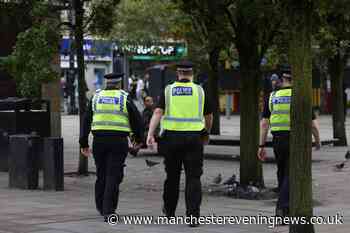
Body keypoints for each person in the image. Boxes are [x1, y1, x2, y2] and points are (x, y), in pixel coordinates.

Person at [146, 60, 213, 227]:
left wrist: (150, 134)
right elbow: (209, 115)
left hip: (171, 139)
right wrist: (206, 132)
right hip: (194, 139)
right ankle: (193, 217)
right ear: (191, 74)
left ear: (178, 73)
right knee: (193, 177)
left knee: (172, 176)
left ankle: (169, 211)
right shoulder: (200, 90)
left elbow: (158, 112)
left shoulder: (168, 90)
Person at [79, 73, 143, 222]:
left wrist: (83, 143)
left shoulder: (96, 97)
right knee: (113, 175)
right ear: (119, 83)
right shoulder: (123, 97)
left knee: (101, 174)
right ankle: (109, 211)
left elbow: (86, 119)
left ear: (106, 83)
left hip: (99, 141)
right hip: (118, 142)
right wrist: (138, 139)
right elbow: (136, 119)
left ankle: (101, 206)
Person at [258, 72, 321, 218]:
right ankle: (282, 207)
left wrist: (261, 146)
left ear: (282, 79)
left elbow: (264, 124)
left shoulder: (272, 97)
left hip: (278, 140)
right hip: (295, 140)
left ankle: (285, 211)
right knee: (291, 173)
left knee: (282, 172)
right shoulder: (300, 96)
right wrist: (317, 141)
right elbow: (313, 125)